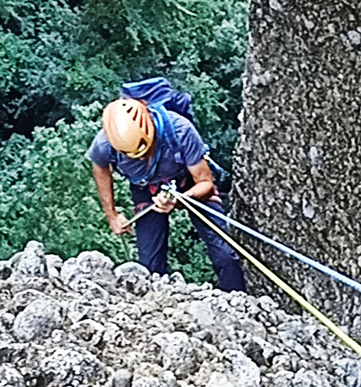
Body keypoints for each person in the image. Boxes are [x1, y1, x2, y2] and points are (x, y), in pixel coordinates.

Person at [87, 97, 246, 292]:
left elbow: (204, 183)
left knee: (225, 254)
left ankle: (238, 299)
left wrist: (179, 199)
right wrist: (112, 215)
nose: (143, 157)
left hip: (187, 180)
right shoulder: (105, 144)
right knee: (149, 267)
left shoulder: (180, 130)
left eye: (145, 150)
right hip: (146, 189)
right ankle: (159, 303)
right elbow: (100, 169)